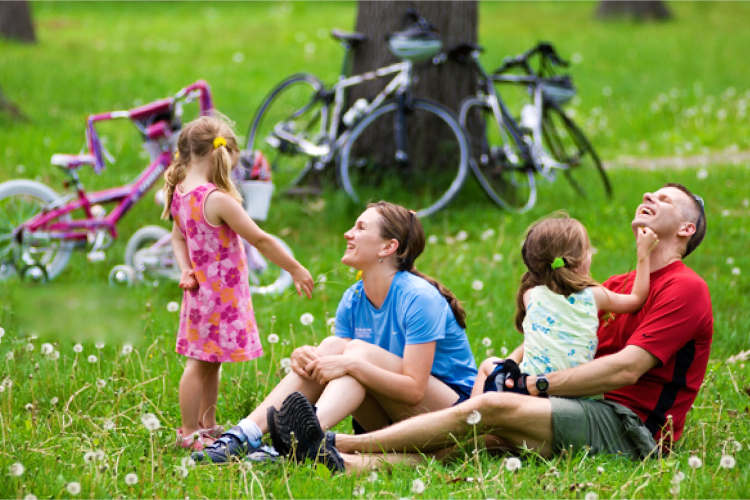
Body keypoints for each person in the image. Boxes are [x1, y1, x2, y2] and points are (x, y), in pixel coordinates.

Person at [274, 183, 712, 472]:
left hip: (628, 427)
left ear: (686, 229)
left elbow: (625, 371)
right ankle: (340, 463)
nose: (650, 195)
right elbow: (548, 335)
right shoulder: (612, 287)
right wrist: (508, 364)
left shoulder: (685, 289)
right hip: (578, 408)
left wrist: (538, 386)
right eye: (650, 192)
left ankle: (331, 441)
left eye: (666, 199)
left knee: (491, 411)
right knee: (485, 439)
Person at [192, 201, 478, 464]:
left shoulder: (419, 298)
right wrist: (304, 357)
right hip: (391, 422)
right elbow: (338, 361)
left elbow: (414, 389)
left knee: (354, 354)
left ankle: (299, 439)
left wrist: (351, 363)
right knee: (331, 346)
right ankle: (245, 434)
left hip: (451, 419)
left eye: (361, 228)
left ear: (387, 247)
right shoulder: (354, 298)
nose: (347, 233)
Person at [163, 116, 314, 450]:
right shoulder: (216, 199)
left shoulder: (182, 190)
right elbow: (259, 239)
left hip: (206, 294)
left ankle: (208, 424)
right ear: (224, 152)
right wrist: (295, 268)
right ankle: (188, 433)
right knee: (199, 363)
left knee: (211, 360)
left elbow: (177, 239)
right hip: (216, 296)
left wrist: (185, 269)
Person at [478, 214, 658, 398]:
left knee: (488, 364)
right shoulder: (595, 295)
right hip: (577, 395)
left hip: (527, 391)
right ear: (579, 260)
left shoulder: (530, 295)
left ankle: (471, 419)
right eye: (588, 251)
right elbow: (637, 299)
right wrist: (643, 253)